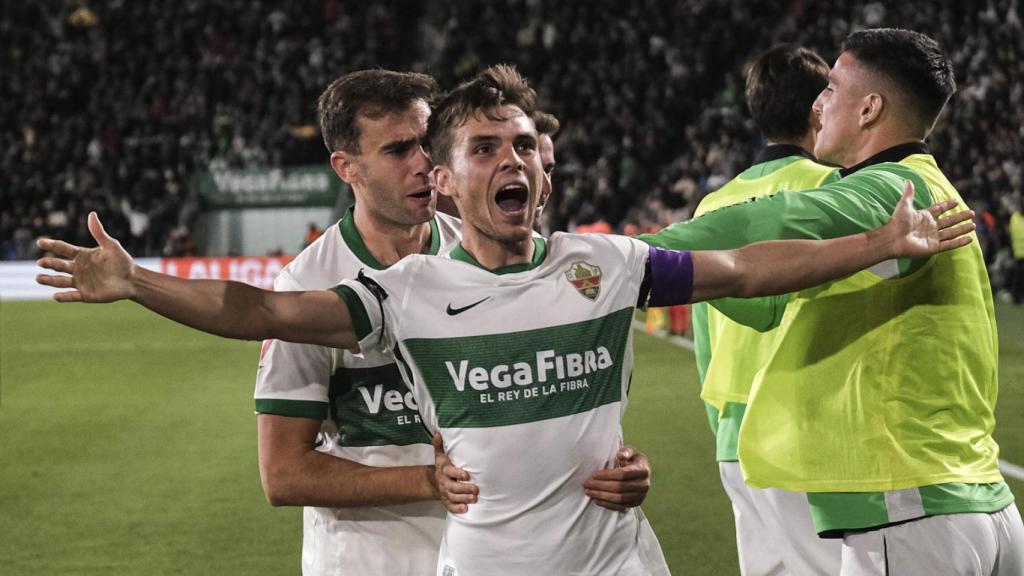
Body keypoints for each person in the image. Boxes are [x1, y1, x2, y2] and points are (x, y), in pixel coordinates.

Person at [37, 64, 974, 575]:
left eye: (525, 143)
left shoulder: (601, 264)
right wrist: (140, 282)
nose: (512, 159)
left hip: (619, 563)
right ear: (445, 177)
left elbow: (739, 267)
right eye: (484, 147)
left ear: (548, 165)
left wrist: (879, 242)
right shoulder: (401, 297)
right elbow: (264, 310)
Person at [644, 29, 1024, 574]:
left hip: (907, 511)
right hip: (968, 499)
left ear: (870, 108)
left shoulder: (891, 193)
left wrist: (624, 259)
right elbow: (762, 299)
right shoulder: (922, 189)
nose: (817, 103)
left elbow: (773, 220)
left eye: (831, 88)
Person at [252, 69, 653, 575]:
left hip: (486, 556)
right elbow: (284, 474)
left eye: (426, 143)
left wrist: (619, 464)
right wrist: (425, 480)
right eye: (398, 151)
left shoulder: (482, 250)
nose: (422, 163)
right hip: (371, 560)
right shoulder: (310, 283)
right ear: (346, 167)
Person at [689, 44, 842, 575]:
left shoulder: (712, 206)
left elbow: (703, 338)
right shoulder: (834, 192)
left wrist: (723, 434)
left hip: (735, 437)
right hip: (809, 432)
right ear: (819, 107)